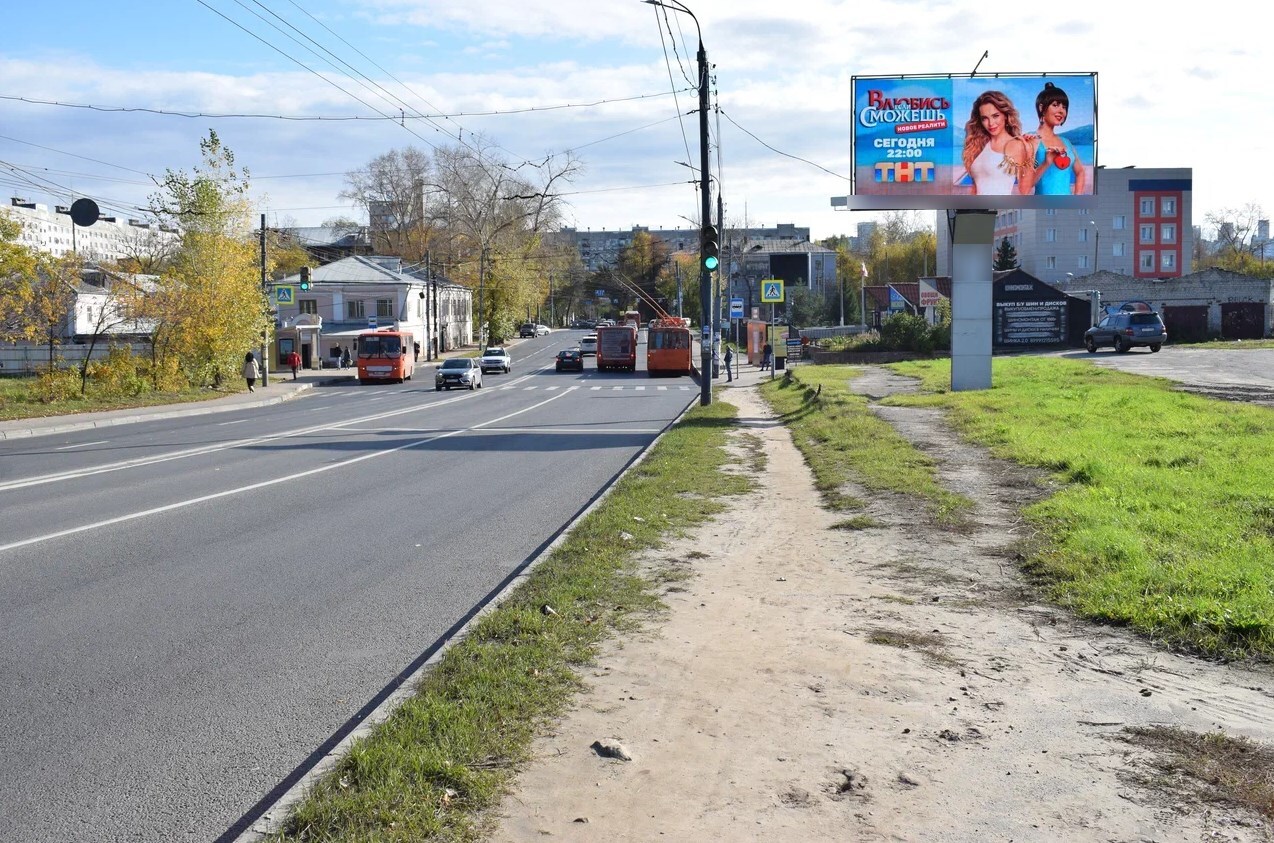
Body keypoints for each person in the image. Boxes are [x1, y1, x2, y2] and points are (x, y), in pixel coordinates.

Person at [960, 90, 1031, 195]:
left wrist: (1029, 152)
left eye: (995, 116)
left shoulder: (1016, 145)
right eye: (985, 118)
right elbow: (976, 187)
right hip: (977, 209)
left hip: (999, 209)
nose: (991, 123)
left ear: (1005, 115)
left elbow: (1024, 190)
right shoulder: (980, 145)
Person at [1024, 82, 1087, 196]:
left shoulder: (1066, 142)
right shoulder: (1031, 138)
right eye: (1055, 105)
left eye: (1064, 107)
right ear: (1042, 108)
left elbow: (1080, 172)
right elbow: (1026, 185)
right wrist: (1046, 162)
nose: (1061, 111)